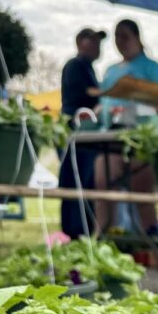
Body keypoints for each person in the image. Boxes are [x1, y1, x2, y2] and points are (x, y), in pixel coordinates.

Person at [94, 19, 158, 234]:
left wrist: (141, 110)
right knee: (103, 185)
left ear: (137, 38)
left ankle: (149, 239)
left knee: (142, 191)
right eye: (117, 37)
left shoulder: (153, 68)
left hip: (142, 136)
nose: (120, 41)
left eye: (125, 36)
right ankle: (101, 236)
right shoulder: (111, 71)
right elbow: (104, 102)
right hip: (111, 136)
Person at [58, 26, 105, 238]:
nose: (97, 47)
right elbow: (91, 94)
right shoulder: (75, 65)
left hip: (85, 134)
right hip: (76, 132)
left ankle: (84, 229)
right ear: (80, 42)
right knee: (75, 180)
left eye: (99, 42)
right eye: (92, 41)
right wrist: (114, 93)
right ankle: (75, 231)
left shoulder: (88, 68)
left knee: (85, 181)